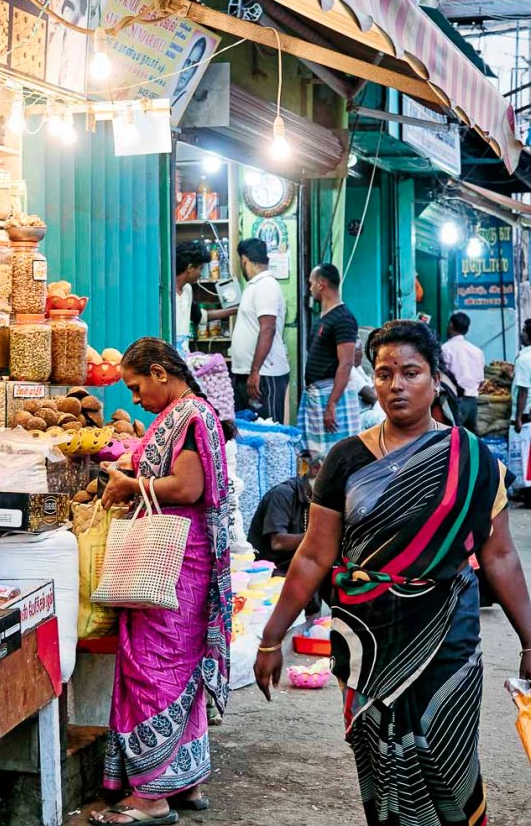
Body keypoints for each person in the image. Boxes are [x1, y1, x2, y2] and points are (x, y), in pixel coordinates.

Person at [255, 319, 531, 826]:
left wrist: (530, 639)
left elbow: (500, 557)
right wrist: (272, 637)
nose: (396, 385)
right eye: (384, 374)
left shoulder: (473, 460)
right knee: (381, 763)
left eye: (410, 372)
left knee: (449, 758)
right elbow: (315, 555)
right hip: (369, 638)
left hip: (449, 632)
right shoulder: (345, 459)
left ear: (435, 379)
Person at [91, 338, 232, 825]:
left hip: (172, 559)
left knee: (153, 667)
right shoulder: (192, 413)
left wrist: (132, 485)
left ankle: (150, 798)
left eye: (135, 387)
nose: (133, 399)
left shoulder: (189, 416)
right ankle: (185, 784)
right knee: (180, 670)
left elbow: (188, 487)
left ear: (158, 372)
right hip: (187, 561)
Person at [297, 263, 359, 458]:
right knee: (316, 456)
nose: (310, 288)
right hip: (316, 394)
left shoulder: (343, 318)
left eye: (311, 283)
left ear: (322, 283)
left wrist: (332, 403)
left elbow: (346, 363)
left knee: (336, 456)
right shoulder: (322, 318)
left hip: (331, 395)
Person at [230, 238, 289, 422]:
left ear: (244, 260)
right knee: (247, 429)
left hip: (264, 375)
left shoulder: (266, 285)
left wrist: (255, 371)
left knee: (268, 430)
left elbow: (268, 329)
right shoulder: (255, 285)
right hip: (249, 373)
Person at [247, 453, 318, 573]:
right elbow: (278, 542)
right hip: (270, 572)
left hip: (298, 567)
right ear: (316, 469)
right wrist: (319, 538)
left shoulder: (316, 498)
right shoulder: (283, 494)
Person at [175, 241, 235, 357]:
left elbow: (198, 316)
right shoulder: (165, 291)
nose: (201, 274)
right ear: (190, 268)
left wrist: (234, 310)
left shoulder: (187, 290)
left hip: (182, 354)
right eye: (201, 269)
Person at [441, 311, 485, 432]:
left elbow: (443, 376)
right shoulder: (477, 351)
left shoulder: (446, 349)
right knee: (471, 442)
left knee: (454, 441)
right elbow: (481, 381)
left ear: (451, 325)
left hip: (455, 402)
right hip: (473, 402)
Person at [512, 319, 531, 500]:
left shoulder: (524, 359)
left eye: (524, 331)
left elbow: (523, 390)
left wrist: (518, 417)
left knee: (525, 457)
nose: (521, 334)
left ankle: (526, 491)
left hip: (525, 416)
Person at [349, 339, 383, 430]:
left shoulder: (357, 368)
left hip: (367, 410)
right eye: (360, 350)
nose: (362, 354)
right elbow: (372, 396)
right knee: (383, 417)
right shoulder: (350, 370)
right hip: (360, 416)